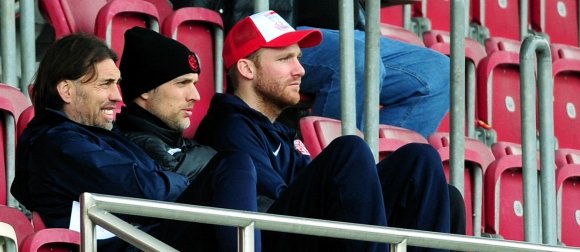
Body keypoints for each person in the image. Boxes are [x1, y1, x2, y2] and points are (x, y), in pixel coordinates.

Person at [195, 10, 451, 252]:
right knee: (349, 151)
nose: (301, 70)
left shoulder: (279, 131)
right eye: (285, 59)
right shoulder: (229, 125)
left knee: (420, 163)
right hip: (267, 237)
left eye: (299, 58)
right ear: (247, 69)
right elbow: (271, 208)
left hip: (303, 231)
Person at [11, 32, 258, 251]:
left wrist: (170, 179)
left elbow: (153, 183)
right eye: (105, 84)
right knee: (232, 165)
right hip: (136, 244)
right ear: (66, 91)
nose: (117, 96)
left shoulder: (93, 136)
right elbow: (151, 190)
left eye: (117, 84)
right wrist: (188, 180)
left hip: (147, 238)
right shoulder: (57, 144)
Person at [171, 0, 450, 138]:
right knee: (356, 58)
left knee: (438, 71)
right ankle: (333, 172)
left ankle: (381, 173)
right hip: (279, 30)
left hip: (349, 32)